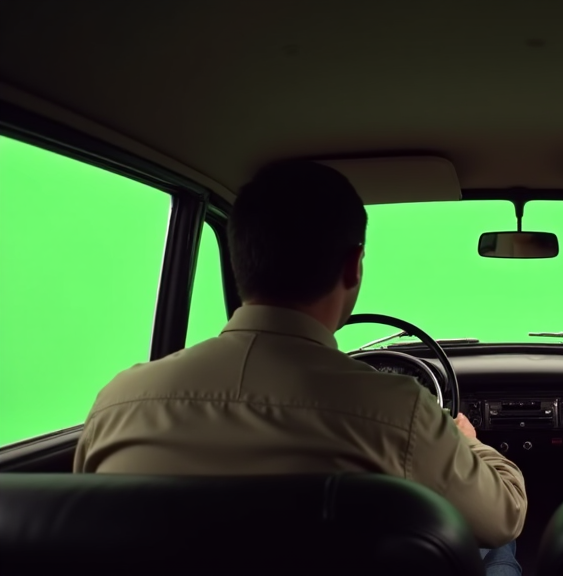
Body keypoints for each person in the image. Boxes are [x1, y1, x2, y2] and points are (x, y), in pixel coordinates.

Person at [73, 160, 526, 576]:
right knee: (495, 550)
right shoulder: (396, 410)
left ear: (238, 262)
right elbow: (504, 516)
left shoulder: (118, 403)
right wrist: (472, 445)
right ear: (353, 266)